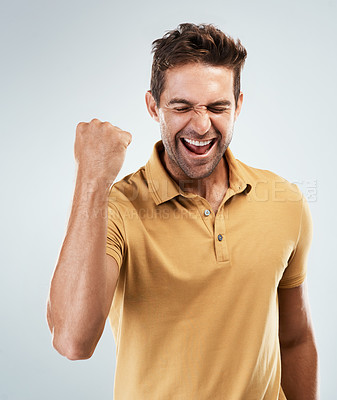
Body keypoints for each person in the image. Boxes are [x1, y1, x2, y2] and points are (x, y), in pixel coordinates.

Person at [46, 23, 319, 400]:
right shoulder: (117, 209)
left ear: (238, 106)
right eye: (182, 106)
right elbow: (72, 341)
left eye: (217, 106)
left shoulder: (284, 201)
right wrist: (92, 178)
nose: (202, 125)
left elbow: (295, 337)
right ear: (153, 106)